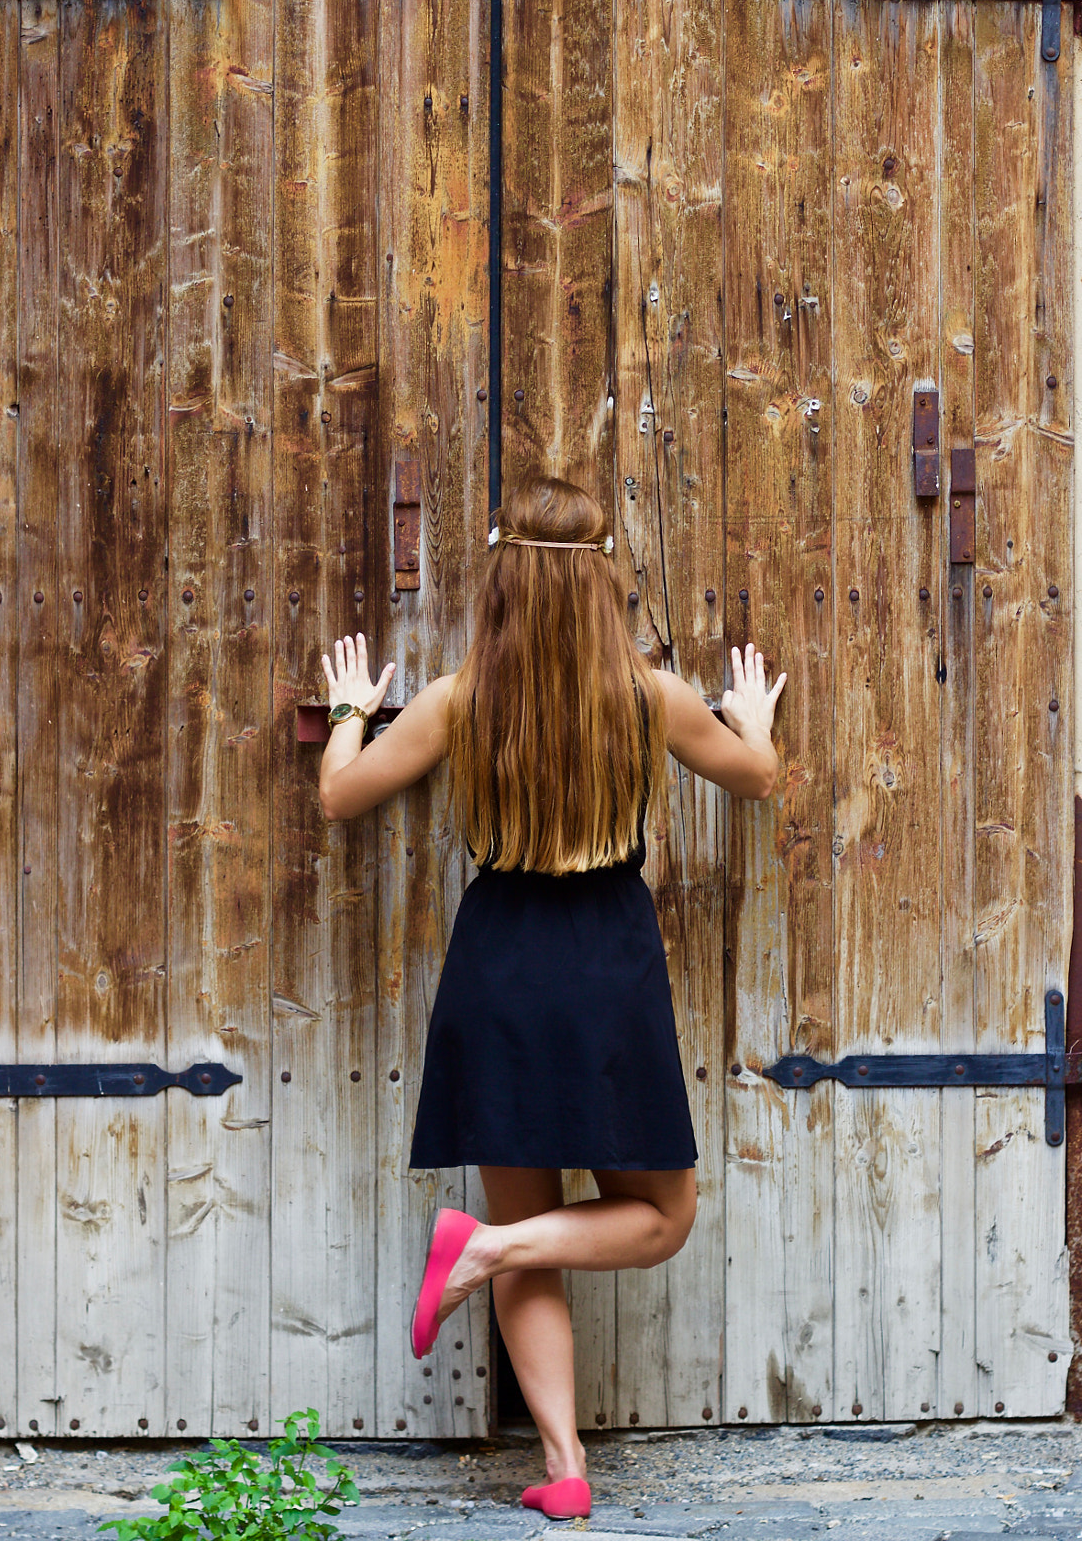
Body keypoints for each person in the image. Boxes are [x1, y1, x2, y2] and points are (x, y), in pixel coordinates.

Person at [318, 476, 786, 1519]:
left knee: (520, 1221)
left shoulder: (455, 697)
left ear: (500, 579)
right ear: (602, 580)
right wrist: (752, 719)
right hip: (606, 965)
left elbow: (338, 793)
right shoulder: (650, 694)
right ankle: (514, 1339)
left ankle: (566, 1459)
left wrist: (351, 712)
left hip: (497, 963)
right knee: (660, 1216)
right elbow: (756, 777)